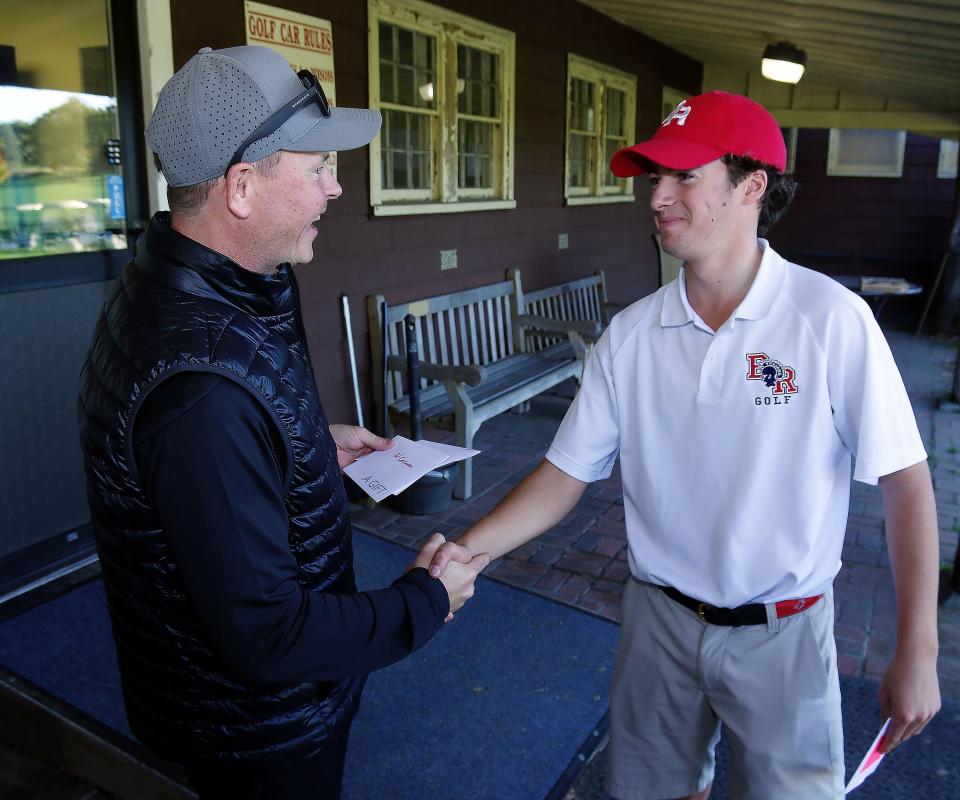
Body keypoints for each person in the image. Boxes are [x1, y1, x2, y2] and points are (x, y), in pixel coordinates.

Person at [430, 91, 940, 799]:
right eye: (653, 179)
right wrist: (468, 551)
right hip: (658, 621)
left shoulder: (831, 320)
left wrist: (919, 646)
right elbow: (564, 473)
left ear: (752, 187)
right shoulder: (632, 334)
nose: (658, 197)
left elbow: (907, 482)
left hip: (785, 633)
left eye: (683, 176)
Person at [77, 45, 488, 800]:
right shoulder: (200, 392)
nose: (335, 188)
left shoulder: (212, 287)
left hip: (251, 706)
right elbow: (268, 638)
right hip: (251, 733)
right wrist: (426, 602)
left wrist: (299, 442)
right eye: (316, 169)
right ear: (241, 187)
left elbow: (226, 432)